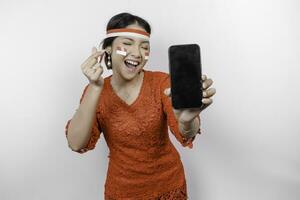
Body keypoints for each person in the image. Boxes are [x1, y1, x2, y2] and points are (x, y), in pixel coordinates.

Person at [65, 12, 216, 200]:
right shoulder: (95, 92)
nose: (137, 53)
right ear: (108, 49)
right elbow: (76, 143)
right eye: (127, 44)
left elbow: (186, 132)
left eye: (144, 47)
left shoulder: (161, 82)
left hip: (169, 186)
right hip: (122, 191)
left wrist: (187, 121)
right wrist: (95, 88)